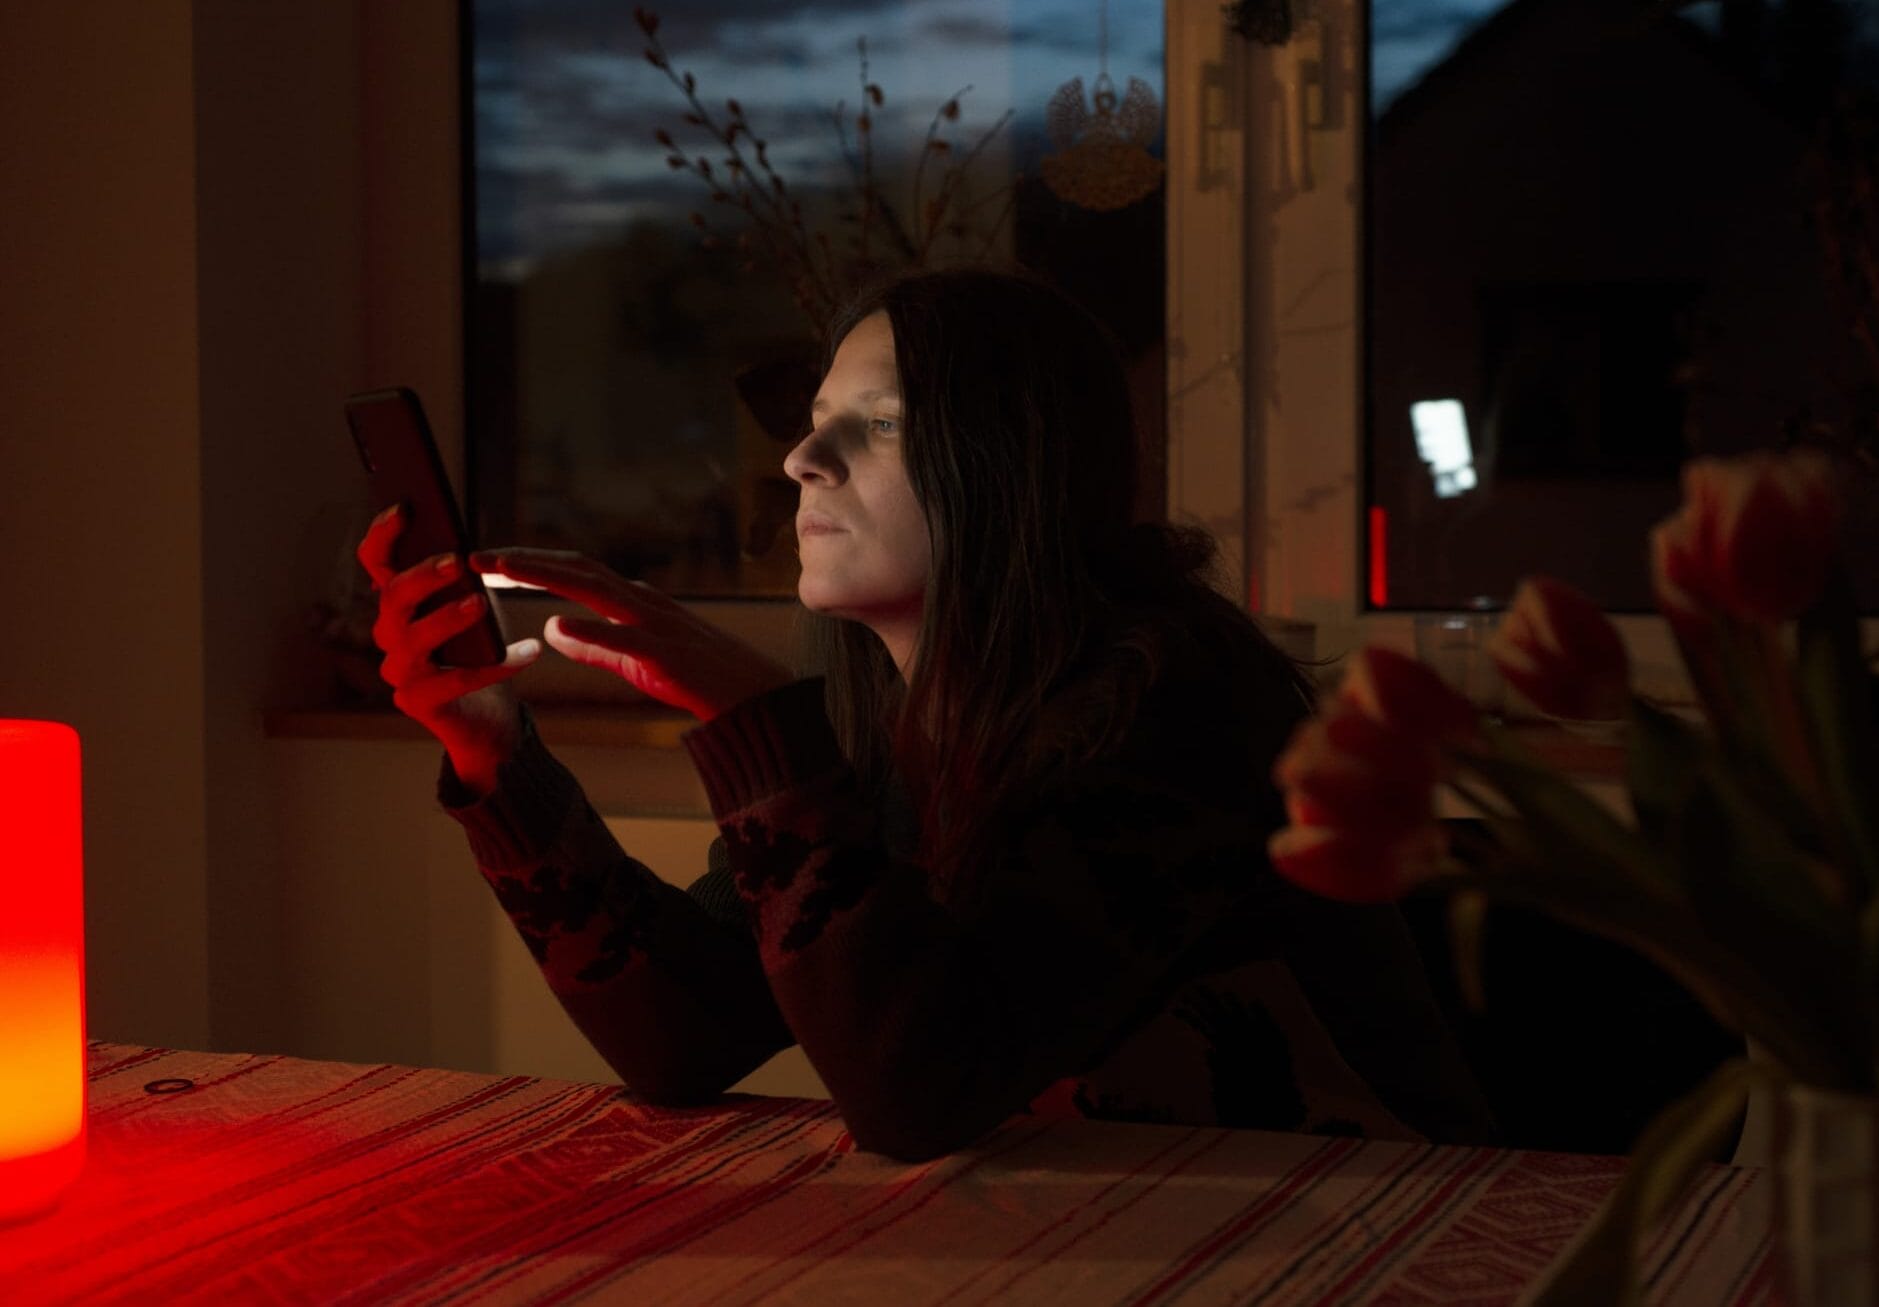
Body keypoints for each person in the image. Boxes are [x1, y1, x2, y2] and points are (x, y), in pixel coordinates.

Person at [357, 268, 1491, 1161]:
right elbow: (685, 1034)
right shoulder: (900, 723)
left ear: (1012, 468)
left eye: (882, 423)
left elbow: (923, 1092)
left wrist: (762, 729)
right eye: (815, 420)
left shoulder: (1173, 711)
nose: (802, 458)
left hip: (1364, 1221)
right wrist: (496, 754)